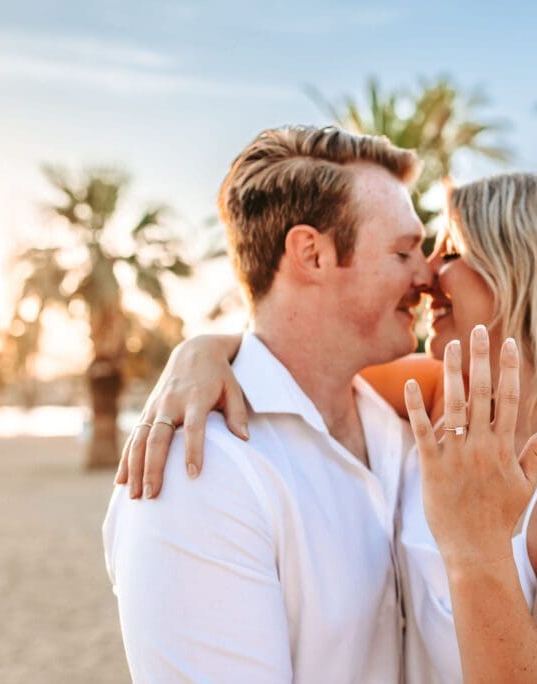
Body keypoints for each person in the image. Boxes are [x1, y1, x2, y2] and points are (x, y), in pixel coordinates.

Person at [122, 173, 537, 682]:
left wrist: (475, 548)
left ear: (529, 273)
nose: (426, 275)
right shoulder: (439, 398)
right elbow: (301, 365)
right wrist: (201, 353)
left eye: (452, 251)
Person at [102, 125, 440, 682]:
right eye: (403, 251)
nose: (426, 275)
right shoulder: (199, 472)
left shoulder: (405, 425)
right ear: (312, 254)